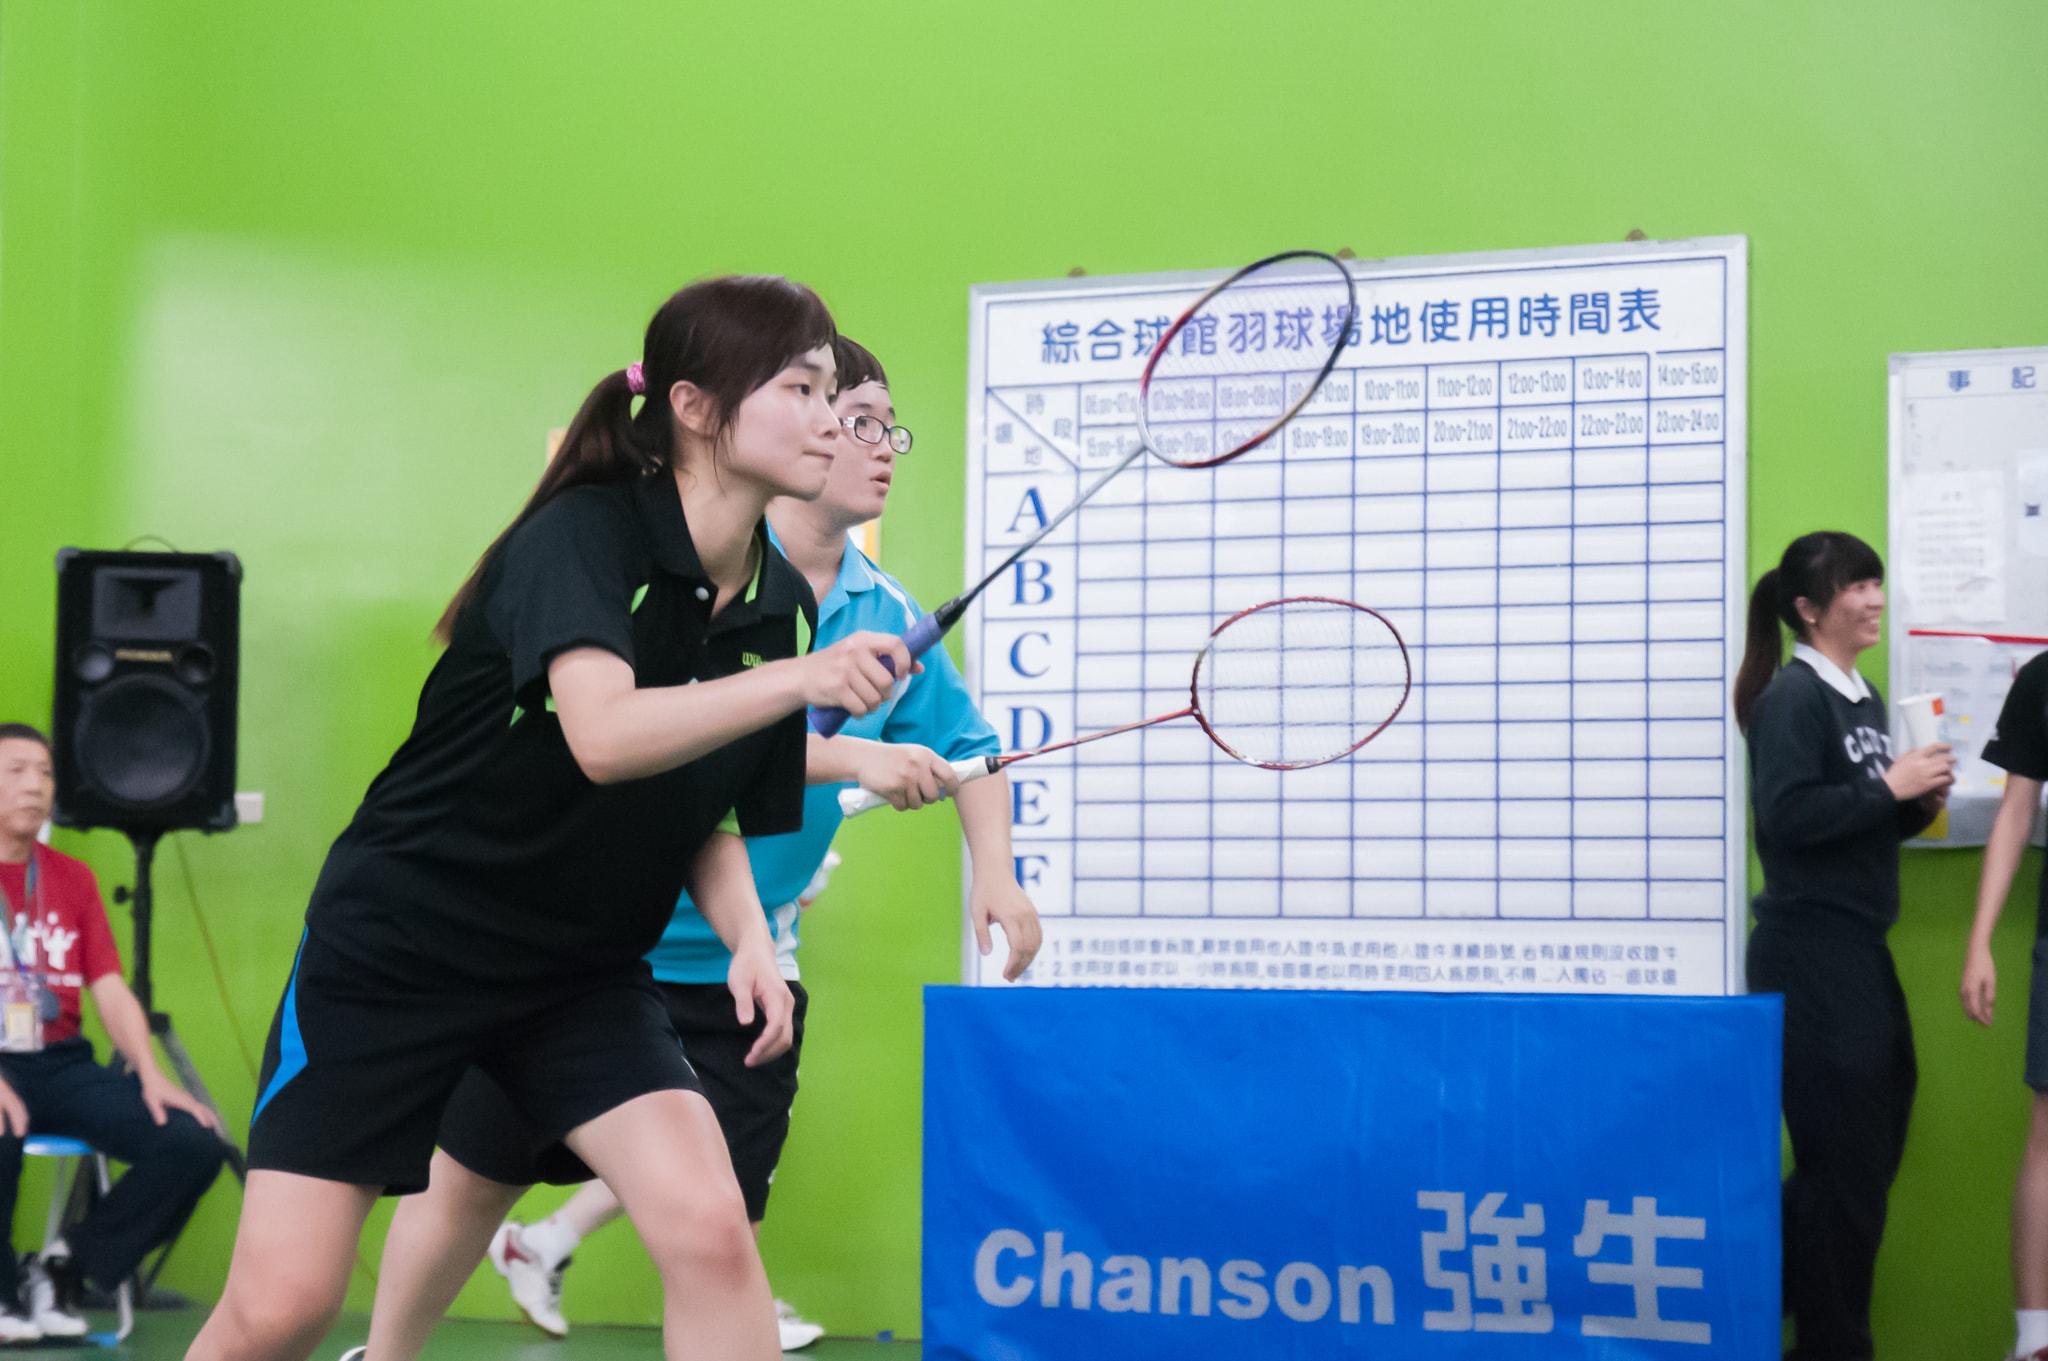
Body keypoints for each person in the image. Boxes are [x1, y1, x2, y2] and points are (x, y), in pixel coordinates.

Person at [184, 275, 919, 1361]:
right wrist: (802, 679)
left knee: (712, 1229)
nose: (829, 419)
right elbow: (605, 735)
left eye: (833, 393)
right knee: (284, 1307)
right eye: (800, 389)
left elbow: (701, 805)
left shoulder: (775, 600)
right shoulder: (584, 536)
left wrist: (750, 936)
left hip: (577, 977)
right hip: (402, 950)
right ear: (694, 406)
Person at [348, 335, 1044, 1358]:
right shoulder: (681, 575)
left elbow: (971, 753)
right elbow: (649, 733)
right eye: (847, 416)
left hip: (742, 964)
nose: (872, 444)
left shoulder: (886, 615)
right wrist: (852, 753)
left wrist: (997, 874)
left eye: (884, 426)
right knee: (467, 1183)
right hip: (588, 950)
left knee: (721, 1227)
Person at [1732, 531, 1954, 1361]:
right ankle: (1829, 1343)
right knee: (1845, 1167)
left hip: (1857, 949)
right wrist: (1886, 787)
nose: (1873, 599)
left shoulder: (1860, 696)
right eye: (1855, 586)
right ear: (1807, 609)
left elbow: (1851, 821)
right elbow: (1787, 817)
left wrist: (1911, 803)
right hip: (1808, 950)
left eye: (1874, 582)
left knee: (1863, 1150)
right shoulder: (1793, 698)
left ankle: (1770, 1294)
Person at [0, 723, 225, 1342]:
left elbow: (108, 986)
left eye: (45, 773)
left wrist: (151, 1075)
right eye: (16, 771)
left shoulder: (72, 878)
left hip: (62, 1063)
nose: (35, 786)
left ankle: (62, 1270)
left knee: (192, 1141)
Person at [1958, 649, 2048, 1361]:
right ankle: (2035, 1338)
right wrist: (1980, 938)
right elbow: (2017, 811)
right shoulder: (2043, 680)